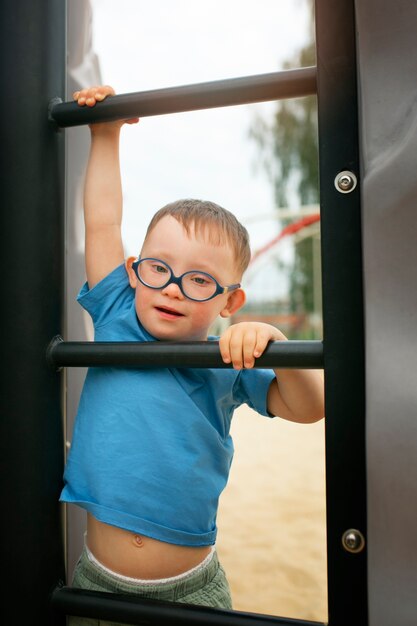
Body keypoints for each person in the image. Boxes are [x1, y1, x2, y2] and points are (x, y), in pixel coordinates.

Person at [61, 85, 324, 622]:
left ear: (231, 301)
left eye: (200, 280)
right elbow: (102, 223)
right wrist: (105, 133)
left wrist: (276, 343)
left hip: (190, 590)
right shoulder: (116, 315)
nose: (174, 287)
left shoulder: (228, 358)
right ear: (134, 272)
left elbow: (309, 407)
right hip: (94, 583)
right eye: (159, 269)